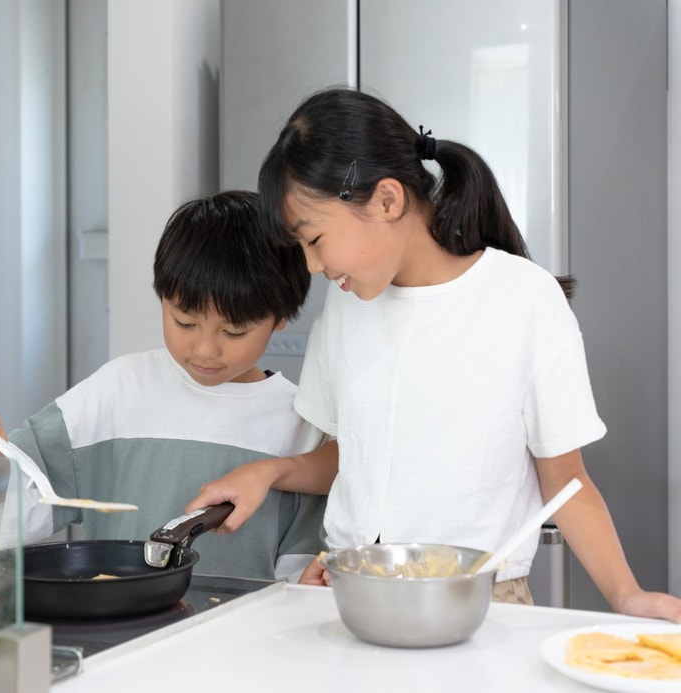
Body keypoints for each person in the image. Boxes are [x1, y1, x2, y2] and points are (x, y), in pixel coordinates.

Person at [184, 87, 681, 620]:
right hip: (350, 594)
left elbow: (568, 484)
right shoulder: (349, 307)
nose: (311, 266)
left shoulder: (523, 299)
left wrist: (627, 596)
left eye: (315, 239)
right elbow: (362, 458)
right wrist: (269, 473)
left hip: (482, 607)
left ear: (388, 200)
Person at [0, 190, 327, 582]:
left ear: (281, 318)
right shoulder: (116, 391)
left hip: (239, 641)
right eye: (185, 322)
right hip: (119, 636)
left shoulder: (301, 425)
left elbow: (298, 583)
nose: (205, 349)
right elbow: (8, 528)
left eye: (234, 331)